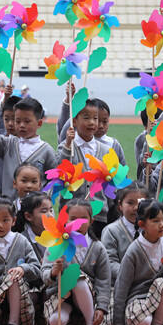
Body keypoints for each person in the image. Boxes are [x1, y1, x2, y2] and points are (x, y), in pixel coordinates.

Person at [112, 199, 163, 325]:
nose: (162, 225)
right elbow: (122, 285)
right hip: (137, 298)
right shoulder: (134, 250)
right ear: (142, 224)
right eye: (156, 221)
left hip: (161, 302)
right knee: (143, 323)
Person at [41, 200, 110, 325]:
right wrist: (53, 272)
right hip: (62, 297)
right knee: (56, 321)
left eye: (83, 219)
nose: (78, 223)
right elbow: (44, 273)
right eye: (73, 219)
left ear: (92, 220)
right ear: (65, 220)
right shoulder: (57, 244)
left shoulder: (98, 248)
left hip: (88, 296)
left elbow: (104, 280)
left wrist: (102, 307)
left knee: (77, 277)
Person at [0, 90, 57, 200]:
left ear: (39, 123)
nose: (21, 125)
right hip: (8, 209)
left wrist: (45, 197)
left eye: (27, 121)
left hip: (33, 210)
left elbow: (54, 177)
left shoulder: (46, 150)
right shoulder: (7, 143)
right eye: (17, 121)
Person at [59, 99, 116, 238]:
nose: (92, 122)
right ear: (74, 121)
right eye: (86, 118)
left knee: (95, 251)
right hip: (71, 214)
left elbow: (110, 184)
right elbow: (60, 171)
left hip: (99, 215)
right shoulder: (66, 147)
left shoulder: (105, 150)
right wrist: (67, 144)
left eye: (95, 118)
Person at [101, 182, 149, 284]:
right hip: (119, 284)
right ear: (120, 205)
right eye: (130, 203)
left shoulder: (151, 228)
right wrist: (131, 274)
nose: (136, 207)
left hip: (147, 282)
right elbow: (109, 262)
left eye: (140, 203)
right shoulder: (111, 231)